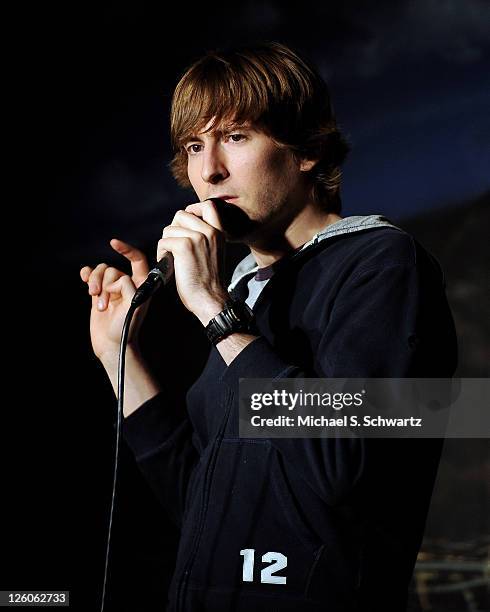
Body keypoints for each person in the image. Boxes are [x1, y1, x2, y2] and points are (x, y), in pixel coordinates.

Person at [80, 42, 457, 611]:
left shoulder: (382, 264)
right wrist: (119, 357)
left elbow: (341, 463)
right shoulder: (250, 293)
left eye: (235, 137)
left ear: (306, 148)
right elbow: (203, 502)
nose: (208, 172)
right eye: (193, 146)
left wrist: (214, 310)